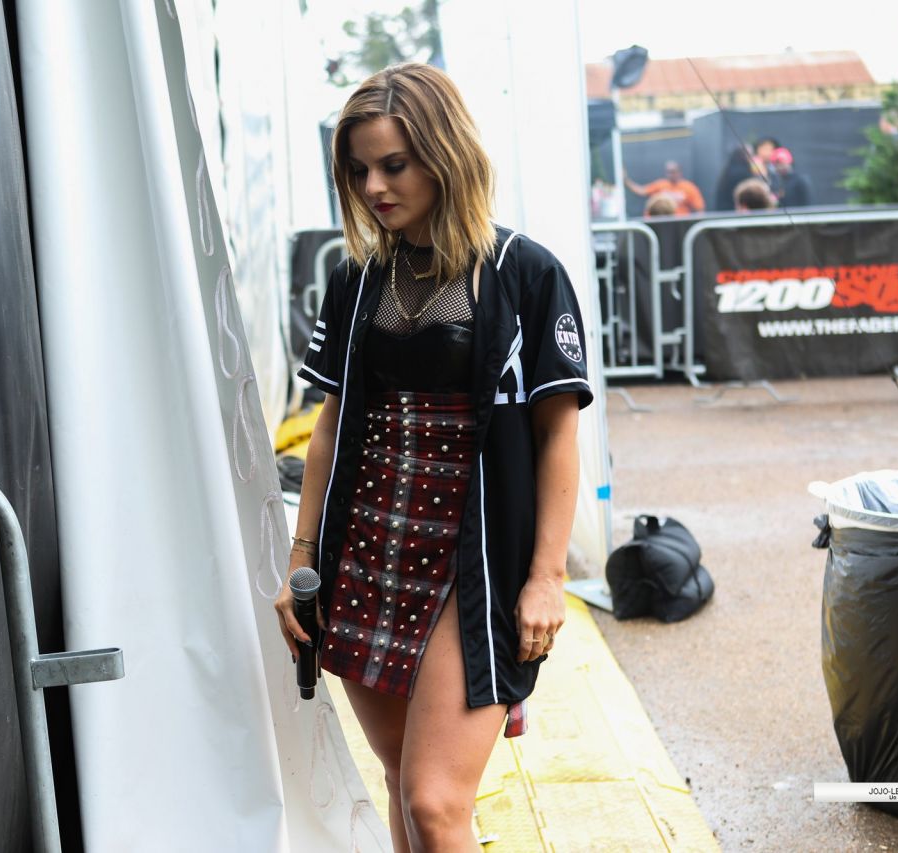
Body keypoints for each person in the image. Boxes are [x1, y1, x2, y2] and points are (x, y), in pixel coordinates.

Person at [276, 62, 592, 852]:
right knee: (403, 787)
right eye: (358, 169)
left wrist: (547, 575)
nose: (375, 185)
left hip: (472, 554)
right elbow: (330, 421)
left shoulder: (524, 271)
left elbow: (558, 434)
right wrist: (302, 557)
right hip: (369, 545)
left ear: (444, 154)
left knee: (437, 800)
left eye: (394, 163)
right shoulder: (357, 277)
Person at [623, 161, 704, 215]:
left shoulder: (689, 187)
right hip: (660, 222)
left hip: (680, 224)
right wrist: (626, 180)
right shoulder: (660, 185)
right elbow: (641, 191)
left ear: (679, 172)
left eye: (673, 171)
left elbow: (699, 208)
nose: (670, 174)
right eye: (668, 172)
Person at [714, 144, 756, 211]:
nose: (752, 158)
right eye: (750, 155)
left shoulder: (730, 169)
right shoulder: (741, 173)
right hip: (732, 211)